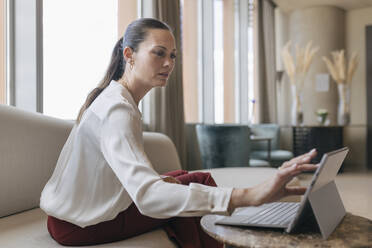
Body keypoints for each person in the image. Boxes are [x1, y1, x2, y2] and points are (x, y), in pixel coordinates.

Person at [40, 18, 318, 247]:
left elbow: (116, 174)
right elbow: (149, 197)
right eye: (158, 53)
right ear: (129, 54)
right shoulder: (117, 110)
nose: (169, 63)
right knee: (188, 190)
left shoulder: (118, 99)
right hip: (79, 225)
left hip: (73, 214)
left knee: (191, 179)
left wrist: (161, 181)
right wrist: (249, 194)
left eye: (172, 55)